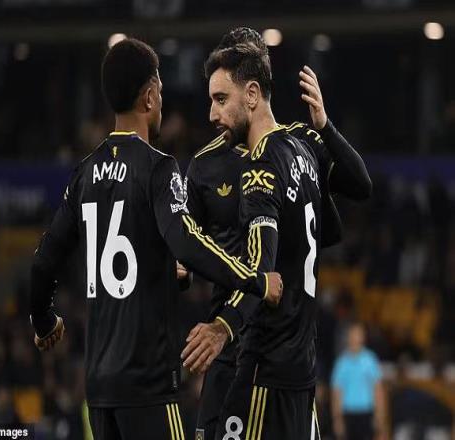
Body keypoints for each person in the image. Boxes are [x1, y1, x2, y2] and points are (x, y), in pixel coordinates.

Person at [28, 38, 283, 440]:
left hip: (99, 391)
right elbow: (185, 241)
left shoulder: (84, 174)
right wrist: (255, 280)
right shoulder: (158, 169)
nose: (162, 102)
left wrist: (44, 321)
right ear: (149, 97)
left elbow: (44, 261)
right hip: (148, 387)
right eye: (160, 92)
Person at [181, 27, 372, 440]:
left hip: (258, 355)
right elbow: (331, 226)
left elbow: (262, 266)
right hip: (274, 357)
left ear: (253, 90)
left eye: (221, 99)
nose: (212, 114)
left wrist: (222, 326)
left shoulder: (276, 156)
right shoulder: (211, 164)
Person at [331, 322, 386, 440]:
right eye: (353, 336)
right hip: (347, 414)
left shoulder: (370, 360)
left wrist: (380, 416)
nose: (356, 340)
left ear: (363, 338)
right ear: (348, 338)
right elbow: (336, 393)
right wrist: (337, 419)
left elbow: (378, 389)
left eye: (359, 336)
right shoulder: (341, 363)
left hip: (367, 413)